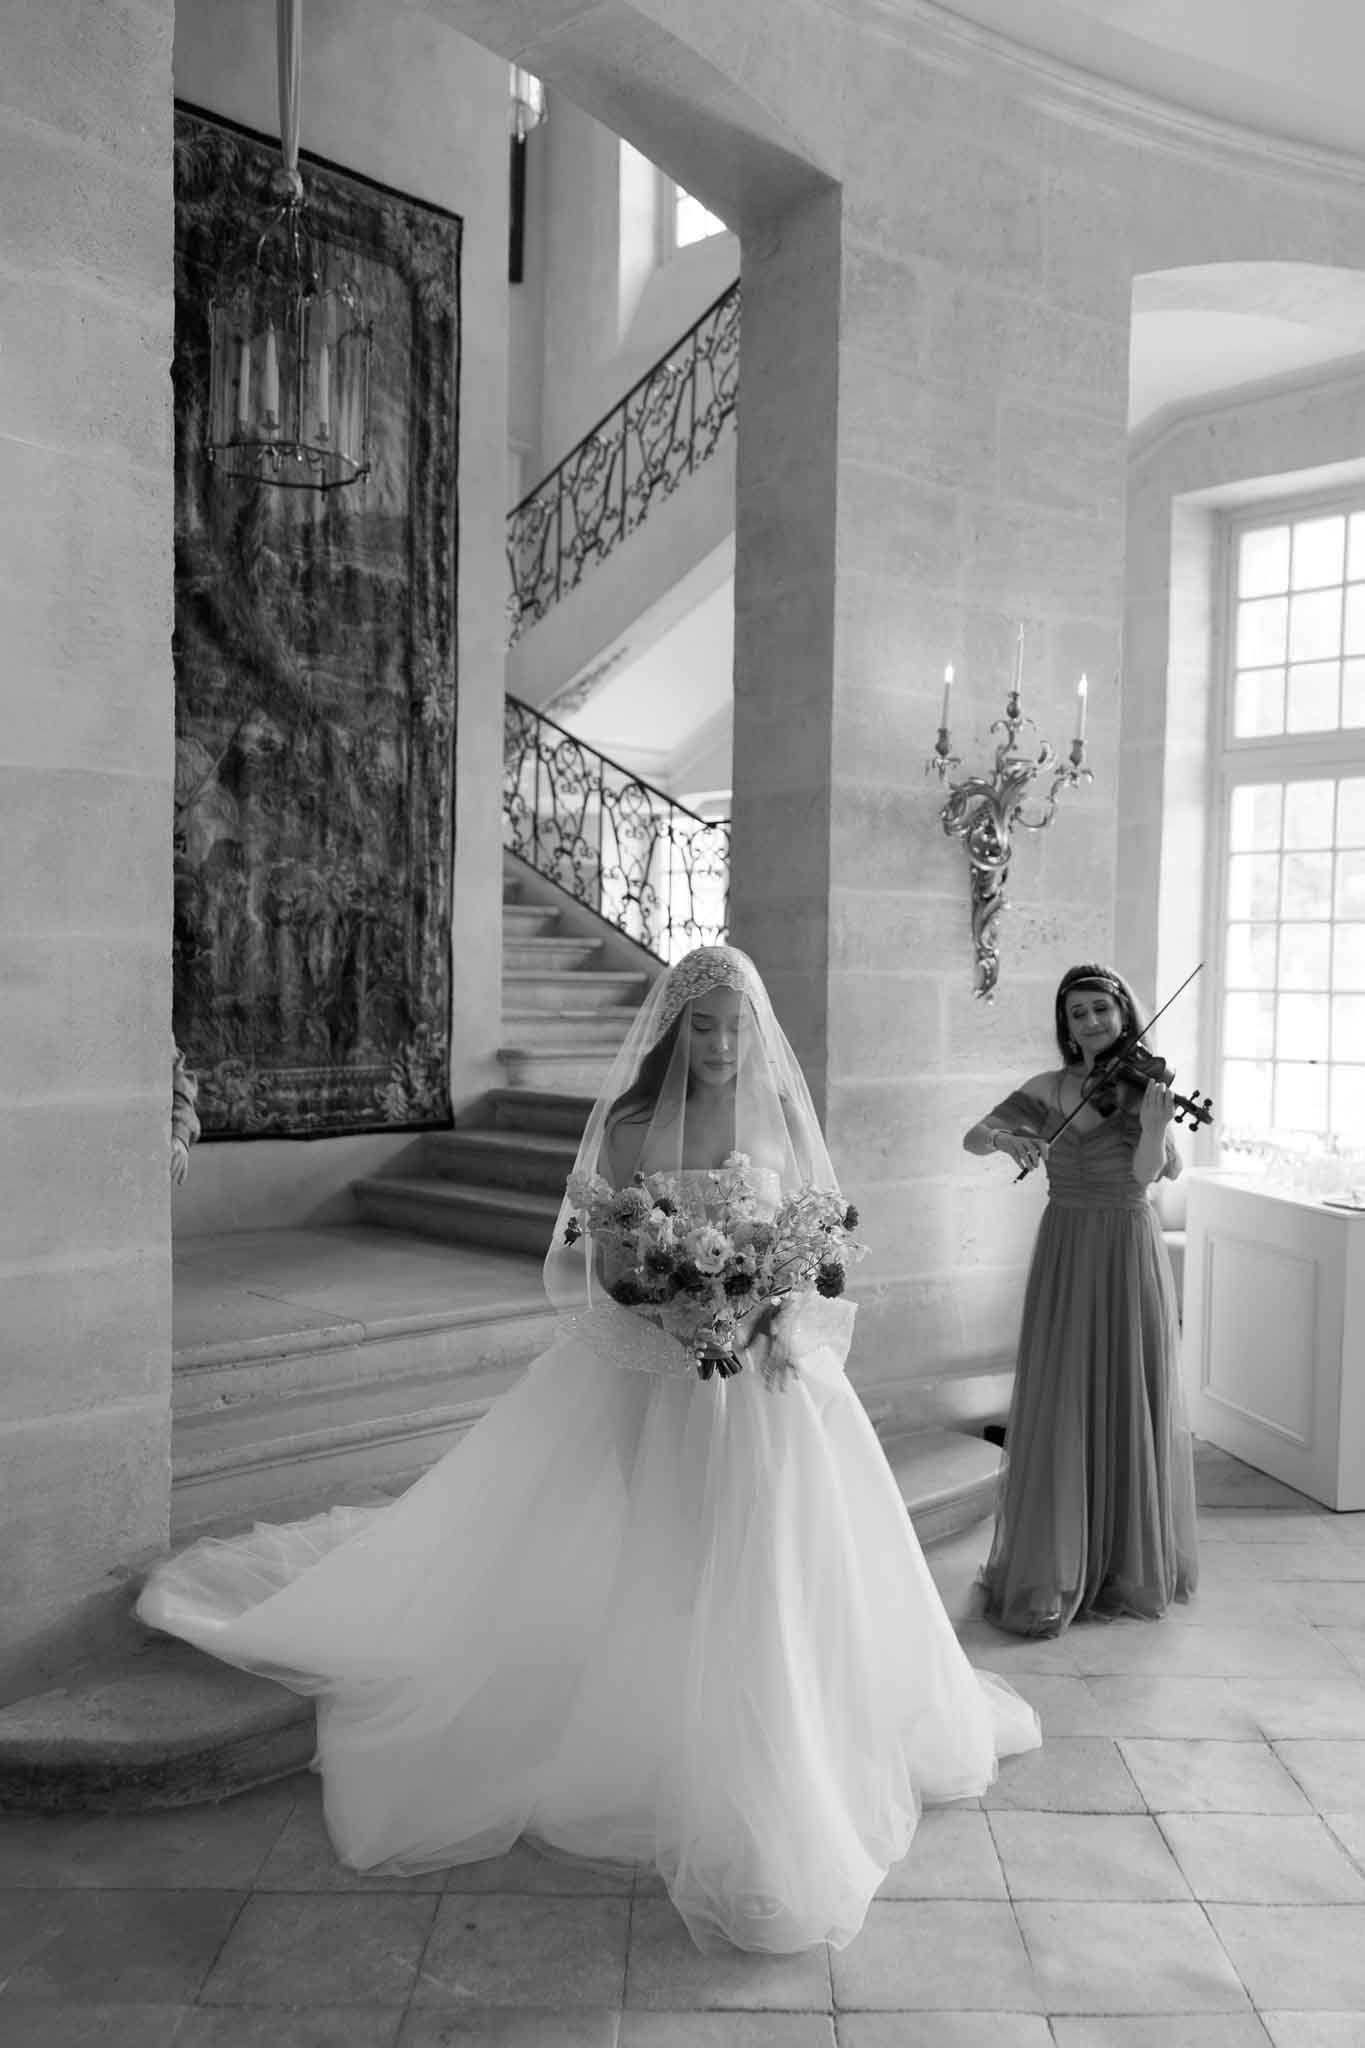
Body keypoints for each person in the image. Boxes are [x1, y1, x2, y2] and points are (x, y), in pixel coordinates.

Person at [138, 945, 1040, 1955]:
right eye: (704, 1026)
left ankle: (780, 1738)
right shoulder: (625, 1125)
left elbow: (813, 1247)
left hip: (773, 1381)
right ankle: (672, 1725)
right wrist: (678, 1299)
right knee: (673, 1546)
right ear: (675, 1028)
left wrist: (767, 1311)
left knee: (775, 1554)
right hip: (662, 1374)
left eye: (736, 1026)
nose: (722, 1044)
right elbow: (604, 1257)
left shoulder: (784, 1118)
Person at [964, 962, 1199, 1638]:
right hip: (1066, 1240)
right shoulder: (1047, 1089)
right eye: (1076, 1013)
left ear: (1123, 1013)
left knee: (1125, 1384)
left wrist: (1153, 1125)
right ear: (1064, 1027)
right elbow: (972, 1137)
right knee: (1064, 1389)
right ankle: (1055, 1565)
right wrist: (1006, 1138)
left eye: (1101, 1008)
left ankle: (1122, 1564)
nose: (1090, 1022)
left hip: (1124, 1240)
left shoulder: (1146, 1090)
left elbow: (1149, 1174)